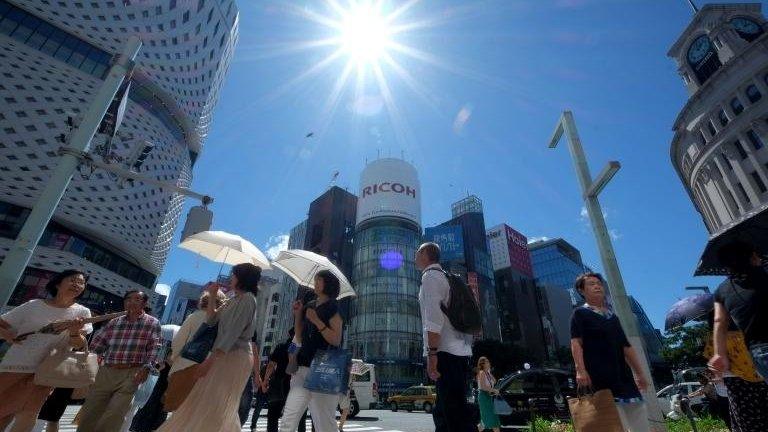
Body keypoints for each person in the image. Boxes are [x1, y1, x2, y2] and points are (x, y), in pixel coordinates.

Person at [156, 263, 261, 432]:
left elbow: (231, 334)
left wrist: (209, 362)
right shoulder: (233, 299)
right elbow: (211, 319)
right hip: (223, 355)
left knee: (217, 402)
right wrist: (212, 295)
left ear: (242, 278)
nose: (231, 278)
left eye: (233, 275)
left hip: (234, 356)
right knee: (212, 401)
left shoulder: (248, 299)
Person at [0, 269, 92, 432]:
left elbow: (79, 344)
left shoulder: (82, 312)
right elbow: (3, 324)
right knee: (3, 409)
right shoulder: (33, 305)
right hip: (15, 366)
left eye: (81, 282)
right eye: (73, 280)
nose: (77, 285)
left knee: (28, 414)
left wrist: (74, 331)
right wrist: (8, 335)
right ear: (58, 283)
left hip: (47, 370)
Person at [570, 273, 651, 432]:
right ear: (581, 290)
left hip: (624, 379)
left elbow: (626, 347)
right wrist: (580, 370)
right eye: (591, 284)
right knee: (612, 424)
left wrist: (640, 373)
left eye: (599, 283)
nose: (597, 286)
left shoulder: (612, 317)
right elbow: (576, 343)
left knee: (641, 423)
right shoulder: (580, 314)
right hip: (599, 378)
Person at [77, 290, 161, 432]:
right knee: (91, 409)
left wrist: (146, 368)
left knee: (116, 413)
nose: (132, 302)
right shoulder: (114, 322)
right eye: (128, 298)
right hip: (107, 370)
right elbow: (97, 344)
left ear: (145, 303)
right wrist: (92, 358)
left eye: (137, 299)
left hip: (133, 372)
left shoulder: (152, 323)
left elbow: (154, 347)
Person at [416, 242, 476, 432]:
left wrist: (432, 354)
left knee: (452, 414)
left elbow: (433, 320)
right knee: (445, 411)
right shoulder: (448, 278)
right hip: (461, 351)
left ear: (425, 254)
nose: (415, 257)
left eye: (418, 252)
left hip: (445, 353)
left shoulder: (430, 277)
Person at [279, 270, 344, 432]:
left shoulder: (334, 308)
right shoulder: (309, 306)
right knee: (288, 419)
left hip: (324, 368)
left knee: (324, 423)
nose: (315, 283)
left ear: (328, 284)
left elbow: (336, 339)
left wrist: (316, 321)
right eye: (315, 280)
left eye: (319, 280)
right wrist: (298, 314)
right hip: (302, 367)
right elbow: (299, 336)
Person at [709, 241, 768, 382]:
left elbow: (719, 321)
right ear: (753, 257)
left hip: (758, 351)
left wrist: (719, 353)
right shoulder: (764, 273)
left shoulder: (721, 291)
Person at [163, 290, 226, 411]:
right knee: (194, 411)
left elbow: (179, 340)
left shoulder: (193, 317)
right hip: (207, 369)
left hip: (184, 365)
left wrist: (174, 358)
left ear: (203, 301)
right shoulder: (222, 321)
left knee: (177, 409)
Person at [261, 329, 307, 432]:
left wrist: (265, 381)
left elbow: (271, 365)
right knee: (300, 417)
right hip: (297, 385)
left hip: (279, 384)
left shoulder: (281, 347)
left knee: (273, 415)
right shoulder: (304, 349)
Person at [238, 330, 262, 429]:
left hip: (244, 373)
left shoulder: (251, 329)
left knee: (245, 406)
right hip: (227, 370)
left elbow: (254, 351)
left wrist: (257, 374)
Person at [475, 357, 501, 432]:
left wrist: (489, 372)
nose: (488, 363)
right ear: (482, 364)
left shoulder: (487, 372)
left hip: (487, 397)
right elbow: (483, 387)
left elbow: (494, 381)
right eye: (486, 362)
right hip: (483, 397)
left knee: (485, 420)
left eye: (488, 361)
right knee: (492, 418)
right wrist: (494, 390)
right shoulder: (481, 373)